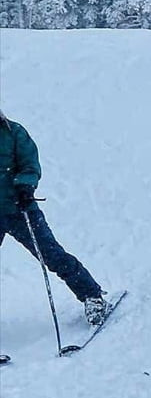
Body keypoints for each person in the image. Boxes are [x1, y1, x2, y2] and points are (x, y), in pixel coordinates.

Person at [0, 111, 110, 324]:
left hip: (20, 209)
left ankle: (92, 296)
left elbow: (30, 164)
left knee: (51, 254)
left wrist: (25, 184)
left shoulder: (14, 133)